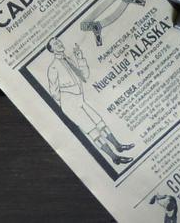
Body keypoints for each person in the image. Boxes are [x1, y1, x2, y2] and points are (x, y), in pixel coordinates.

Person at [45, 37, 135, 166]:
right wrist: (68, 97)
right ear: (52, 49)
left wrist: (80, 58)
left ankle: (118, 146)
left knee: (99, 122)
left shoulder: (68, 59)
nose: (59, 43)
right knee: (93, 130)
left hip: (80, 99)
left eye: (59, 41)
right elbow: (54, 92)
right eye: (55, 44)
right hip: (70, 104)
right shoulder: (53, 67)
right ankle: (115, 157)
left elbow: (84, 76)